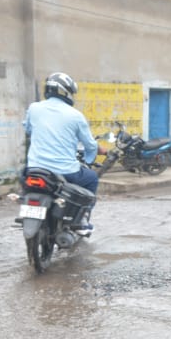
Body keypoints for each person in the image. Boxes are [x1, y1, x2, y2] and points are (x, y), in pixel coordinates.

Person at [23, 72, 98, 232]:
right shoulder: (76, 116)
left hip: (35, 169)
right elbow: (90, 145)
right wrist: (89, 160)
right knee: (92, 179)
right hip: (66, 171)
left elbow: (28, 129)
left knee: (24, 179)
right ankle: (82, 220)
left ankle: (27, 208)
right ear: (66, 92)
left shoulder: (34, 108)